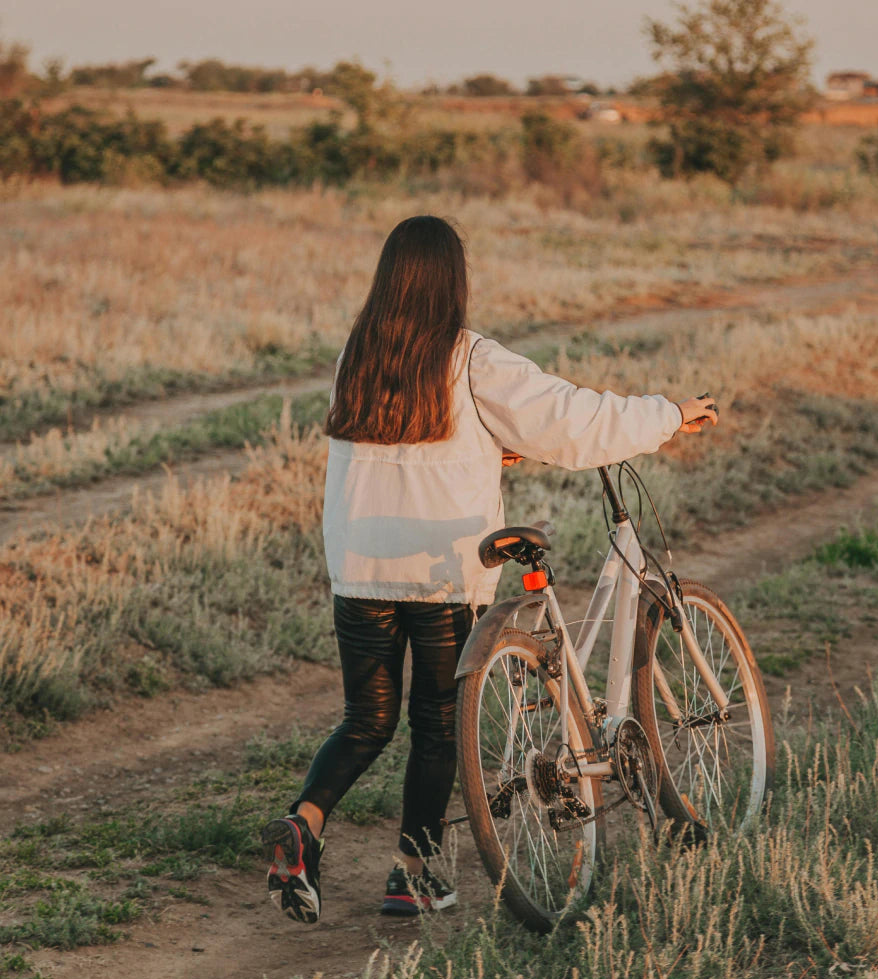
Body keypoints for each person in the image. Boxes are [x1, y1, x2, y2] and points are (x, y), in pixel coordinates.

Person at [260, 215, 718, 924]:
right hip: (439, 570)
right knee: (438, 726)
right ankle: (411, 872)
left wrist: (485, 451)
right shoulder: (469, 357)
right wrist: (668, 413)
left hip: (359, 567)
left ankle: (306, 823)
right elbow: (572, 420)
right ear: (452, 281)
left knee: (366, 721)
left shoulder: (359, 354)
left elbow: (406, 440)